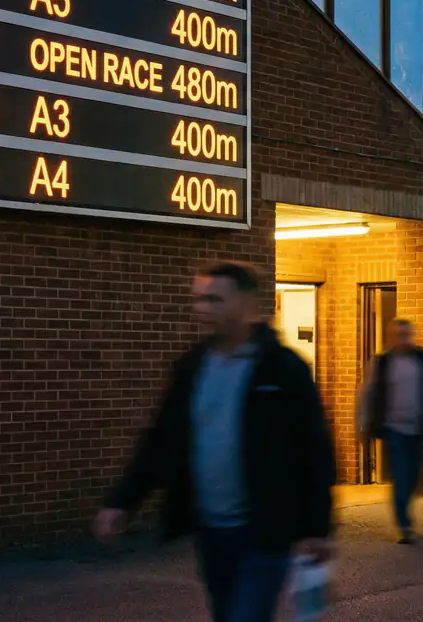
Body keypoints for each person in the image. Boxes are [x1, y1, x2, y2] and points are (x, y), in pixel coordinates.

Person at [94, 262, 335, 622]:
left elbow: (315, 449)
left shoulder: (283, 370)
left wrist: (317, 527)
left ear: (245, 302)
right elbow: (161, 439)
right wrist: (122, 502)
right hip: (212, 533)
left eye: (214, 300)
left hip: (265, 531)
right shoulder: (192, 368)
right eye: (199, 299)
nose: (203, 309)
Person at [357, 317, 423, 544]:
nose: (402, 339)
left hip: (419, 428)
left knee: (412, 477)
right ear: (391, 337)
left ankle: (404, 509)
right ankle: (404, 524)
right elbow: (366, 394)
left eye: (406, 335)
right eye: (397, 335)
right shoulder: (381, 363)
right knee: (400, 475)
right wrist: (361, 423)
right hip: (393, 429)